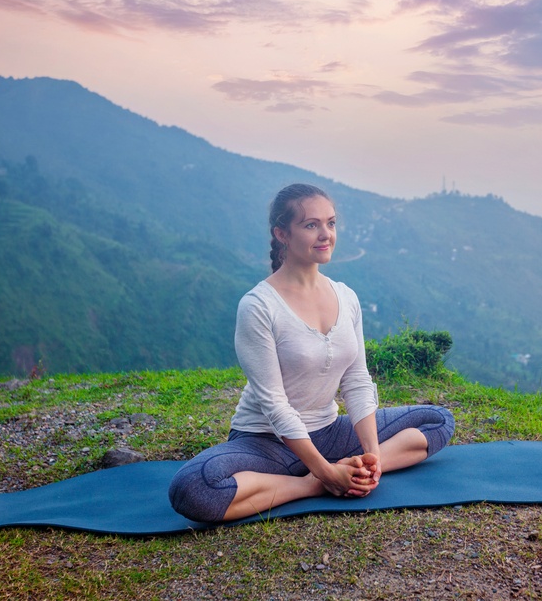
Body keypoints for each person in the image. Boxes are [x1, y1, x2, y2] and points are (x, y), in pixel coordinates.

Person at [168, 183, 455, 523]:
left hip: (330, 432)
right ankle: (308, 485)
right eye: (311, 225)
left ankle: (354, 470)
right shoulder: (259, 306)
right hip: (268, 442)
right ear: (282, 234)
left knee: (438, 420)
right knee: (192, 489)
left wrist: (372, 456)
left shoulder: (346, 297)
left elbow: (357, 380)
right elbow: (274, 405)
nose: (325, 234)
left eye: (330, 223)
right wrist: (324, 476)